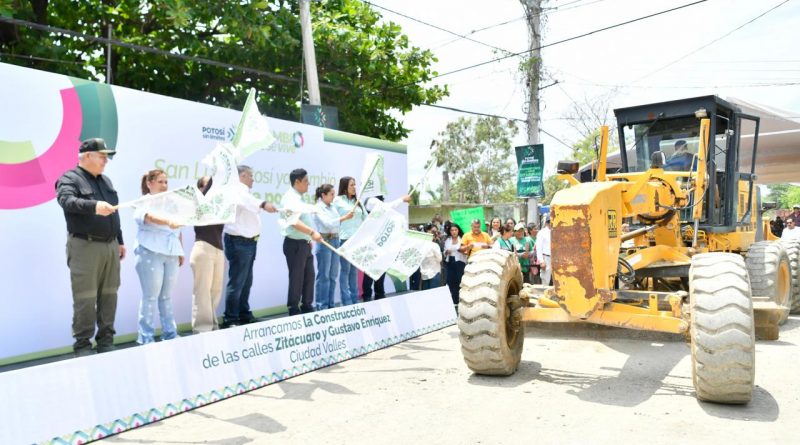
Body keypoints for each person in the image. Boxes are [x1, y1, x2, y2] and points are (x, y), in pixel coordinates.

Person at [55, 138, 125, 357]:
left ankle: (106, 342)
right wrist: (94, 206)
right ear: (87, 156)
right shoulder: (69, 178)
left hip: (110, 246)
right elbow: (66, 201)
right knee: (85, 298)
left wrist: (120, 240)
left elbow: (115, 212)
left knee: (109, 295)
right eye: (102, 155)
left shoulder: (106, 182)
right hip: (85, 246)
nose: (106, 160)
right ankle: (83, 346)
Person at [133, 169, 184, 344]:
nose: (164, 185)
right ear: (149, 183)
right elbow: (148, 217)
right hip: (149, 251)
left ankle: (170, 333)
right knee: (150, 295)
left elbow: (178, 229)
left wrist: (180, 250)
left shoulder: (172, 203)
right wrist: (168, 221)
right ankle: (145, 336)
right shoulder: (143, 201)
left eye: (166, 182)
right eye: (160, 182)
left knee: (166, 296)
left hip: (171, 252)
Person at [222, 165, 277, 328]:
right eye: (251, 175)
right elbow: (250, 202)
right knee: (238, 281)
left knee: (246, 281)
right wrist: (264, 203)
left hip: (248, 242)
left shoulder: (243, 192)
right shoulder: (236, 190)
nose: (253, 179)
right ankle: (230, 318)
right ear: (242, 175)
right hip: (238, 241)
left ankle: (243, 313)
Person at [281, 168, 323, 315]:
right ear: (297, 182)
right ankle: (293, 308)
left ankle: (307, 305)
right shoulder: (290, 198)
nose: (308, 183)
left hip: (304, 244)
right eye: (305, 181)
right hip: (294, 244)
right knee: (297, 277)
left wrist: (309, 237)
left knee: (309, 276)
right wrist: (312, 232)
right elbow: (293, 221)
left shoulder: (300, 198)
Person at [361, 193, 412, 301]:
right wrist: (401, 199)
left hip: (381, 242)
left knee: (380, 269)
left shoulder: (379, 202)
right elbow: (385, 207)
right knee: (370, 271)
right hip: (371, 243)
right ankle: (367, 297)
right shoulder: (371, 200)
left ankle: (380, 294)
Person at [190, 176, 224, 333]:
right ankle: (202, 330)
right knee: (202, 291)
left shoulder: (219, 204)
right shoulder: (199, 201)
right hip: (203, 248)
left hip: (218, 249)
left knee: (215, 291)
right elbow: (212, 185)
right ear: (201, 189)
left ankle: (212, 326)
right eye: (208, 185)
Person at [313, 183, 354, 310]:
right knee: (324, 275)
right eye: (331, 194)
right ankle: (322, 306)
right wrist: (344, 218)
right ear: (323, 195)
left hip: (335, 240)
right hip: (324, 241)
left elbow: (335, 226)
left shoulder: (332, 207)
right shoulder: (318, 208)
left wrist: (342, 219)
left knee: (333, 275)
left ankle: (330, 305)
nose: (333, 197)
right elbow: (327, 224)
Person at [333, 177, 366, 306]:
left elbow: (366, 219)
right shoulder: (337, 201)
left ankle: (355, 299)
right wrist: (345, 216)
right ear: (344, 186)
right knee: (345, 270)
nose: (354, 187)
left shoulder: (358, 202)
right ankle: (346, 301)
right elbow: (332, 219)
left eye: (355, 184)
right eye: (352, 185)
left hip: (357, 241)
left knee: (354, 272)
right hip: (344, 240)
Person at [443, 223, 467, 304]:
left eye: (455, 230)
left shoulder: (462, 239)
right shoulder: (447, 240)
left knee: (459, 282)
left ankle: (461, 301)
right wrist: (446, 252)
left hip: (460, 262)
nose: (454, 232)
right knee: (450, 282)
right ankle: (453, 301)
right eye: (452, 230)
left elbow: (463, 250)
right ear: (449, 231)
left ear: (458, 230)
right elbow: (445, 251)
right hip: (450, 262)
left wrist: (455, 248)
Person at [420, 224, 443, 289]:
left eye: (436, 232)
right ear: (427, 231)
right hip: (430, 274)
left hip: (430, 274)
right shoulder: (434, 245)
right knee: (432, 296)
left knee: (427, 296)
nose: (435, 234)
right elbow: (440, 259)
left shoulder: (421, 245)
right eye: (433, 232)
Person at [536, 216, 553, 286]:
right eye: (549, 222)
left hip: (556, 258)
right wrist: (542, 261)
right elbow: (538, 248)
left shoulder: (558, 231)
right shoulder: (542, 232)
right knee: (545, 281)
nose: (550, 223)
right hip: (546, 257)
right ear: (546, 223)